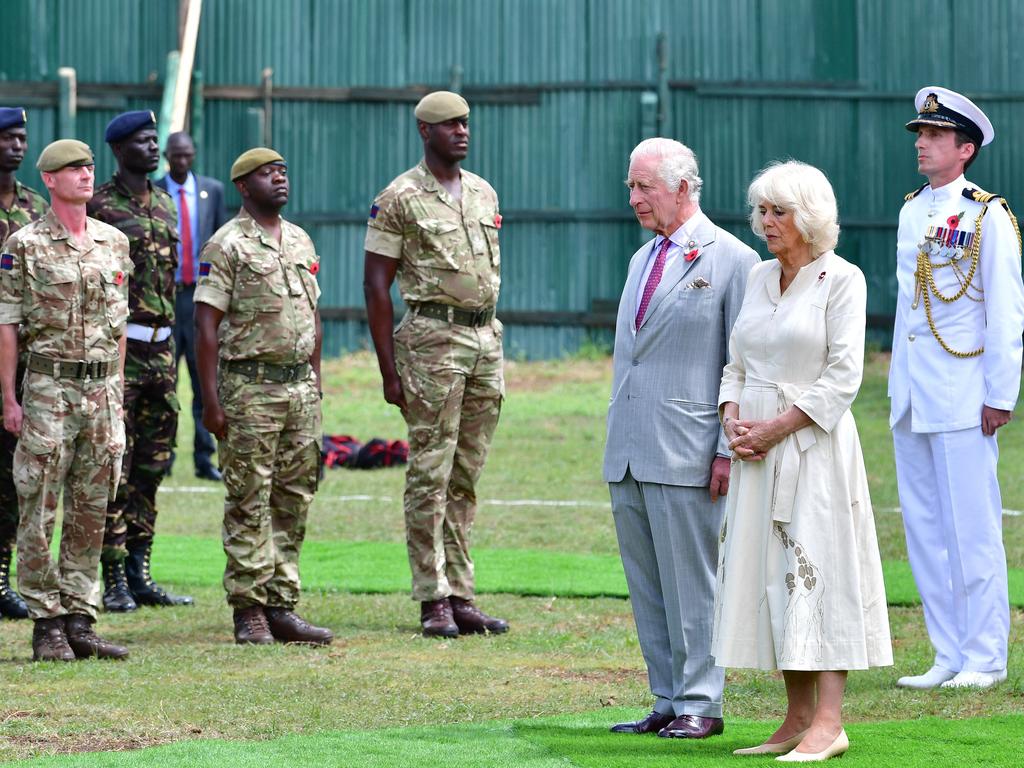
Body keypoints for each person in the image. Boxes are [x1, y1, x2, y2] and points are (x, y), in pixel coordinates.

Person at [714, 161, 892, 762]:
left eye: (779, 212)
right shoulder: (760, 277)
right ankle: (793, 718)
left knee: (823, 574)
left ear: (810, 218)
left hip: (813, 446)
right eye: (762, 210)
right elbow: (736, 361)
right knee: (772, 575)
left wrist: (776, 430)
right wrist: (732, 415)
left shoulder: (843, 280)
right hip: (755, 448)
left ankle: (829, 723)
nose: (766, 222)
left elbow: (844, 377)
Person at [605, 138, 758, 740]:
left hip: (690, 449)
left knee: (694, 583)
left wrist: (724, 450)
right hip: (629, 448)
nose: (635, 198)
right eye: (631, 187)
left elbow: (740, 365)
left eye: (645, 187)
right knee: (647, 584)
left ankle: (703, 700)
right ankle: (667, 697)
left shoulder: (733, 259)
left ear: (683, 188)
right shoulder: (642, 259)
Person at [890, 87, 1024, 691]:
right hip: (915, 392)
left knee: (971, 527)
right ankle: (946, 651)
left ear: (965, 149)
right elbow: (906, 311)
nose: (922, 143)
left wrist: (1000, 392)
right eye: (921, 135)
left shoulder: (985, 214)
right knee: (924, 528)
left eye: (935, 136)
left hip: (964, 390)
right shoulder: (912, 209)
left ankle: (985, 656)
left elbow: (1005, 307)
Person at [364, 91, 508, 639]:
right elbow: (376, 285)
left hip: (484, 339)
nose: (462, 133)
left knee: (467, 472)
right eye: (450, 126)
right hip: (431, 342)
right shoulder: (399, 197)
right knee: (431, 470)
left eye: (466, 123)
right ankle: (433, 596)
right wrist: (388, 369)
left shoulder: (482, 192)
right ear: (425, 132)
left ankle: (463, 592)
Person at [194, 147, 332, 646]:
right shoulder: (225, 245)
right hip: (249, 388)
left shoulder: (298, 239)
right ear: (243, 187)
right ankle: (249, 608)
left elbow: (314, 317)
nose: (279, 178)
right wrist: (210, 401)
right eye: (267, 174)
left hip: (299, 389)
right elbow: (205, 326)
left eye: (283, 170)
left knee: (294, 496)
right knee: (249, 496)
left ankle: (282, 603)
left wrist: (315, 381)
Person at [0, 139, 131, 661]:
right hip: (49, 387)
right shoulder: (25, 245)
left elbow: (119, 324)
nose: (85, 175)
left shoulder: (114, 242)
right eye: (73, 169)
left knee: (93, 504)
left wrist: (116, 391)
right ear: (49, 180)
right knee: (39, 503)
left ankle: (80, 616)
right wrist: (8, 398)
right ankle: (45, 621)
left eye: (88, 167)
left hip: (101, 389)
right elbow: (7, 325)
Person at [88, 110, 192, 612]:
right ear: (119, 149)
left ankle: (140, 569)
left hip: (162, 353)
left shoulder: (167, 205)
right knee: (116, 466)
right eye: (144, 141)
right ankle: (112, 579)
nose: (154, 149)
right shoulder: (99, 207)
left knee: (153, 463)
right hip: (119, 354)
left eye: (155, 141)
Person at [156, 131, 227, 482]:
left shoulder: (211, 190)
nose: (181, 161)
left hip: (200, 300)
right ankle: (163, 456)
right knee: (164, 382)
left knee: (204, 380)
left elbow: (218, 242)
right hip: (166, 299)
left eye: (187, 155)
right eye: (175, 156)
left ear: (194, 155)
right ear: (167, 156)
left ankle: (204, 458)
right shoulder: (154, 190)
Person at [0, 106, 48, 620]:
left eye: (21, 139)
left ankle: (1, 579)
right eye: (7, 138)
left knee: (12, 475)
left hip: (24, 358)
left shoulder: (35, 207)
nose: (16, 146)